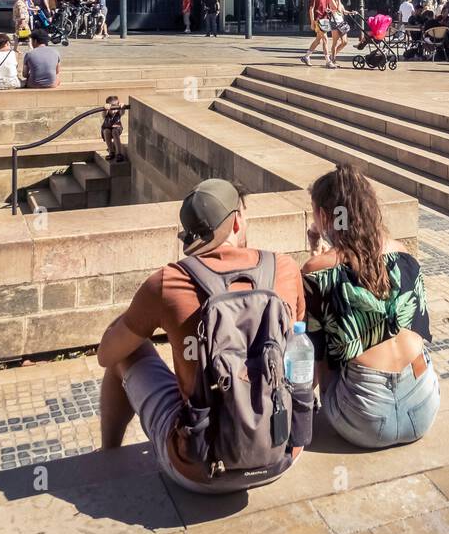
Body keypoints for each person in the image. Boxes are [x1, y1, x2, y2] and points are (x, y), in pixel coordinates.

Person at [98, 179, 308, 493]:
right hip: (283, 452)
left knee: (126, 348)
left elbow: (106, 355)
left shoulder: (168, 281)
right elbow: (297, 344)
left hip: (200, 469)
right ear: (237, 221)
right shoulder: (286, 268)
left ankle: (107, 456)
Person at [302, 163, 439, 449]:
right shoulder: (405, 256)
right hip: (424, 408)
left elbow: (313, 363)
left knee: (329, 347)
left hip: (363, 419)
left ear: (325, 216)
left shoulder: (316, 270)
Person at [303, 0, 333, 67]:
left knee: (318, 40)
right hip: (318, 20)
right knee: (325, 39)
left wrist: (328, 10)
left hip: (325, 20)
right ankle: (328, 61)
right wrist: (312, 22)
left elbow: (326, 7)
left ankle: (306, 56)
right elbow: (311, 9)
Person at [328, 0, 351, 66]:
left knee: (345, 42)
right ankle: (333, 60)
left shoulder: (339, 0)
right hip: (334, 22)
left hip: (341, 22)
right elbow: (337, 9)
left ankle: (332, 56)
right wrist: (338, 0)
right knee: (335, 42)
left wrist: (351, 12)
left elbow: (343, 11)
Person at [101, 95, 127, 161]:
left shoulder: (118, 113)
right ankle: (111, 151)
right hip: (107, 128)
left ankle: (119, 153)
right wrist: (105, 108)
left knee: (114, 131)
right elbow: (103, 114)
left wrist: (122, 106)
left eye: (116, 105)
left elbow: (122, 112)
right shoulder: (106, 114)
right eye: (112, 106)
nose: (114, 109)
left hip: (117, 128)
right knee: (106, 131)